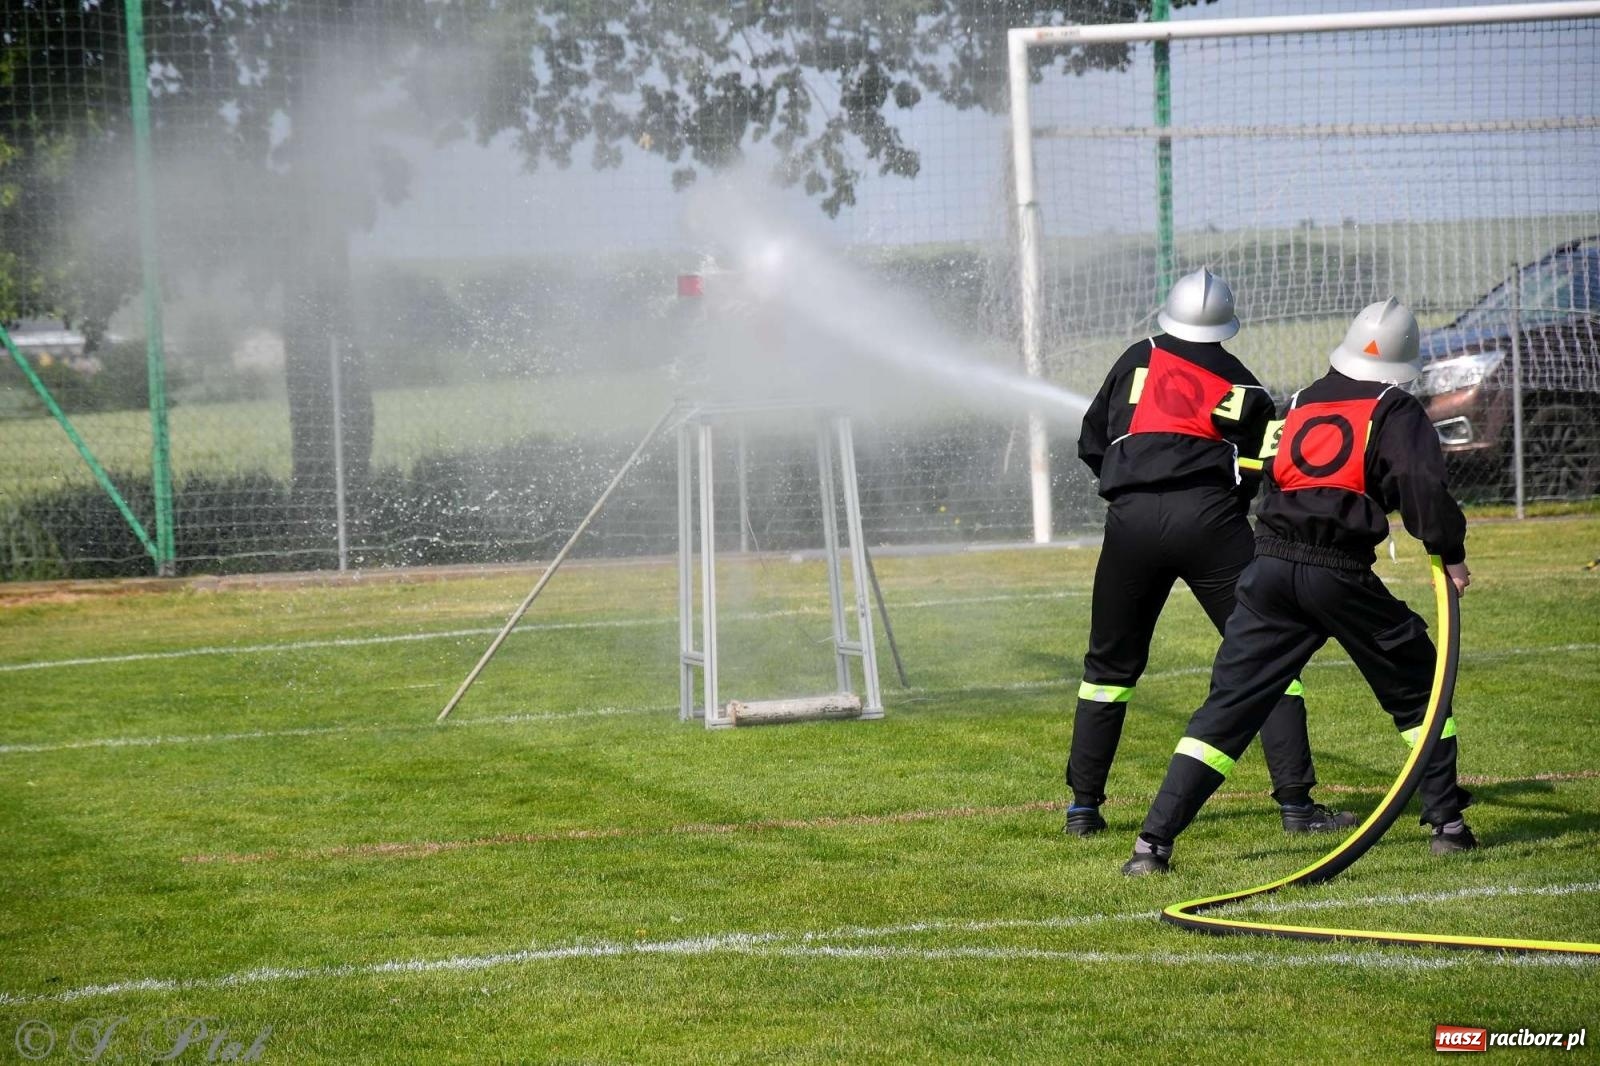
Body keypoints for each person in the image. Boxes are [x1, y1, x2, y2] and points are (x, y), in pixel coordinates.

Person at [1122, 297, 1475, 876]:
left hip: (1269, 570)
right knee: (1419, 686)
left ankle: (1151, 845)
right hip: (1336, 572)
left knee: (1227, 709)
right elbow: (1420, 484)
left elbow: (1272, 469)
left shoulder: (1304, 399)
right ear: (1403, 363)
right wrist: (1450, 552)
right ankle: (1448, 826)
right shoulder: (1393, 407)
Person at [1068, 268, 1352, 838]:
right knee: (1267, 656)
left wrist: (1134, 489)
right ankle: (1297, 807)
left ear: (1169, 312)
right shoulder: (1245, 386)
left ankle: (1083, 809)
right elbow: (1260, 468)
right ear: (1226, 323)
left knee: (1107, 669)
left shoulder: (1136, 357)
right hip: (1212, 521)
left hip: (1130, 523)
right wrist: (1220, 505)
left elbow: (1091, 443)